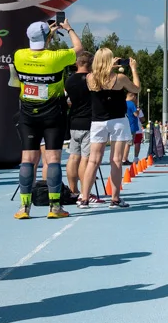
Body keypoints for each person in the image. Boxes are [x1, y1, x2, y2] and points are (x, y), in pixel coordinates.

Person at [9, 18, 83, 219]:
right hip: (52, 114)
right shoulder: (55, 57)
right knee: (52, 161)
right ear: (48, 37)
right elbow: (79, 48)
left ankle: (24, 208)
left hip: (27, 114)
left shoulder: (19, 55)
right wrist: (68, 28)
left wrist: (46, 34)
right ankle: (55, 207)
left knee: (28, 160)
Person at [79, 49, 139, 209]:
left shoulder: (90, 78)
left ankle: (84, 198)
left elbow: (100, 77)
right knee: (116, 160)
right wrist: (133, 69)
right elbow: (137, 89)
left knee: (93, 160)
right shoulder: (119, 78)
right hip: (118, 120)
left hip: (98, 122)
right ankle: (115, 198)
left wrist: (107, 67)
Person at [65, 51, 95, 199]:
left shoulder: (69, 80)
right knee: (86, 159)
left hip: (74, 121)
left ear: (77, 63)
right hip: (88, 122)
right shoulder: (90, 79)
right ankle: (85, 193)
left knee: (73, 157)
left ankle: (73, 190)